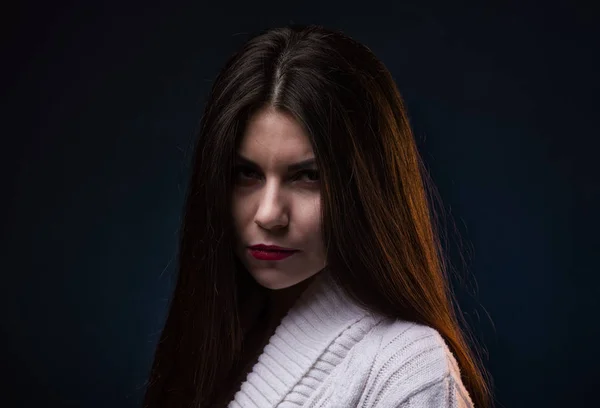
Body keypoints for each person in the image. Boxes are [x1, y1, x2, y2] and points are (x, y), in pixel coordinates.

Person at [143, 24, 493, 408]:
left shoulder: (409, 369)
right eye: (247, 174)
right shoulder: (211, 342)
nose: (269, 214)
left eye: (307, 176)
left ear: (366, 190)